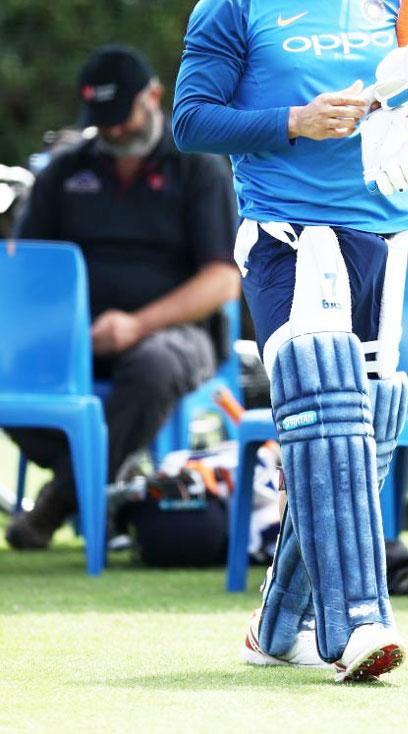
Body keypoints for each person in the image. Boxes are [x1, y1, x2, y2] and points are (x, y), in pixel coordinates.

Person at [172, 0, 408, 682]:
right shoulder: (237, 1)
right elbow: (193, 119)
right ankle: (356, 626)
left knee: (359, 431)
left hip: (381, 237)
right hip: (290, 238)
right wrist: (293, 123)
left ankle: (276, 624)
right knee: (328, 400)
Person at [6, 44, 240, 551]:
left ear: (153, 96)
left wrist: (136, 326)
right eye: (101, 119)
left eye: (121, 116)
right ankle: (113, 467)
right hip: (76, 339)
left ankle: (57, 502)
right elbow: (29, 271)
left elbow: (221, 281)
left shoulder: (198, 167)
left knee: (152, 367)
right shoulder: (63, 173)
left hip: (174, 335)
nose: (112, 130)